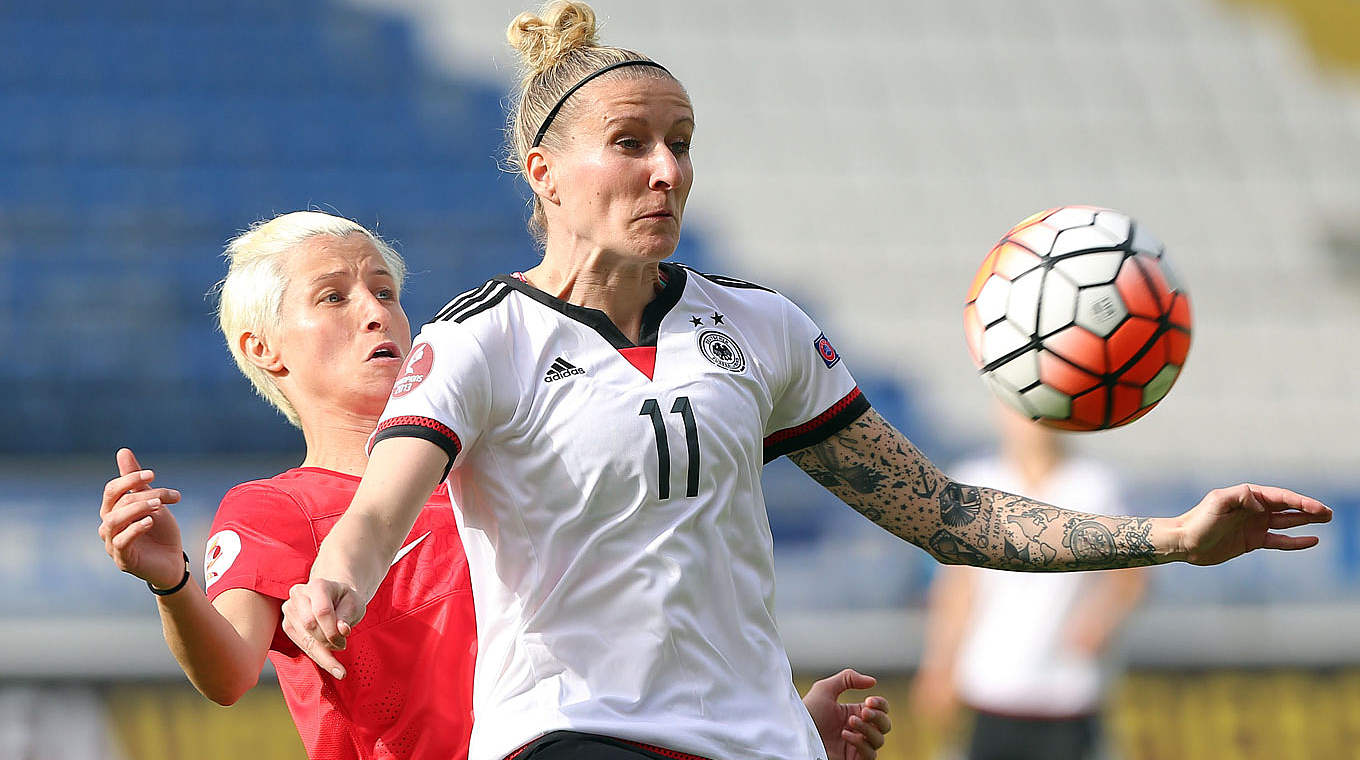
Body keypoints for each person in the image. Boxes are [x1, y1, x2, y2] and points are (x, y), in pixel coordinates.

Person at [280, 4, 1330, 760]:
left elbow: (945, 512)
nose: (667, 171)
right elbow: (380, 510)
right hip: (569, 733)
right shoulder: (481, 340)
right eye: (631, 143)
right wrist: (335, 580)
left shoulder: (759, 325)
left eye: (681, 145)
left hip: (759, 740)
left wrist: (1172, 536)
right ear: (544, 171)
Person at [97, 211, 892, 760]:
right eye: (333, 297)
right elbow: (229, 673)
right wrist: (170, 581)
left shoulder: (501, 465)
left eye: (385, 291)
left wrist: (780, 730)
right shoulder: (277, 510)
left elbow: (643, 630)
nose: (376, 313)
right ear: (264, 348)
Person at [911, 406, 1147, 760]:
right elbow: (957, 588)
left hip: (1067, 694)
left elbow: (1131, 575)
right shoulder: (975, 482)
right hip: (989, 688)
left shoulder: (1094, 486)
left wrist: (1100, 620)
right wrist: (940, 664)